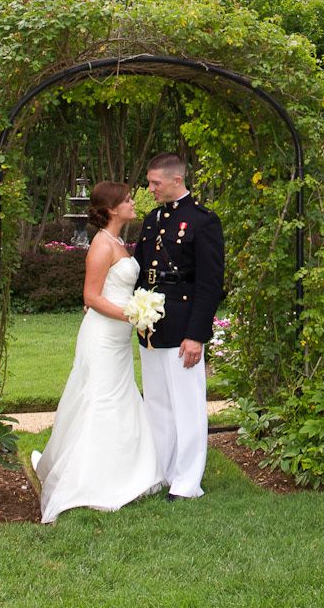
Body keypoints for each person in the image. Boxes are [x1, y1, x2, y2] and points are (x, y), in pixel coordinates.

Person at [31, 180, 164, 523]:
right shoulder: (102, 245)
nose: (134, 203)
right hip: (103, 336)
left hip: (118, 338)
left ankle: (127, 469)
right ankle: (89, 480)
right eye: (128, 199)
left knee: (122, 396)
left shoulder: (119, 241)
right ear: (111, 209)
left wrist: (136, 311)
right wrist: (133, 314)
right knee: (102, 399)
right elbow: (90, 297)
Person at [133, 152, 224, 500]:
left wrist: (196, 335)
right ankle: (163, 471)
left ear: (176, 180)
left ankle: (187, 482)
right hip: (152, 327)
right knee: (156, 403)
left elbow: (209, 283)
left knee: (186, 406)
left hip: (184, 328)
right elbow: (142, 268)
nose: (150, 188)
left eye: (155, 183)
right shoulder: (153, 218)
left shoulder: (203, 221)